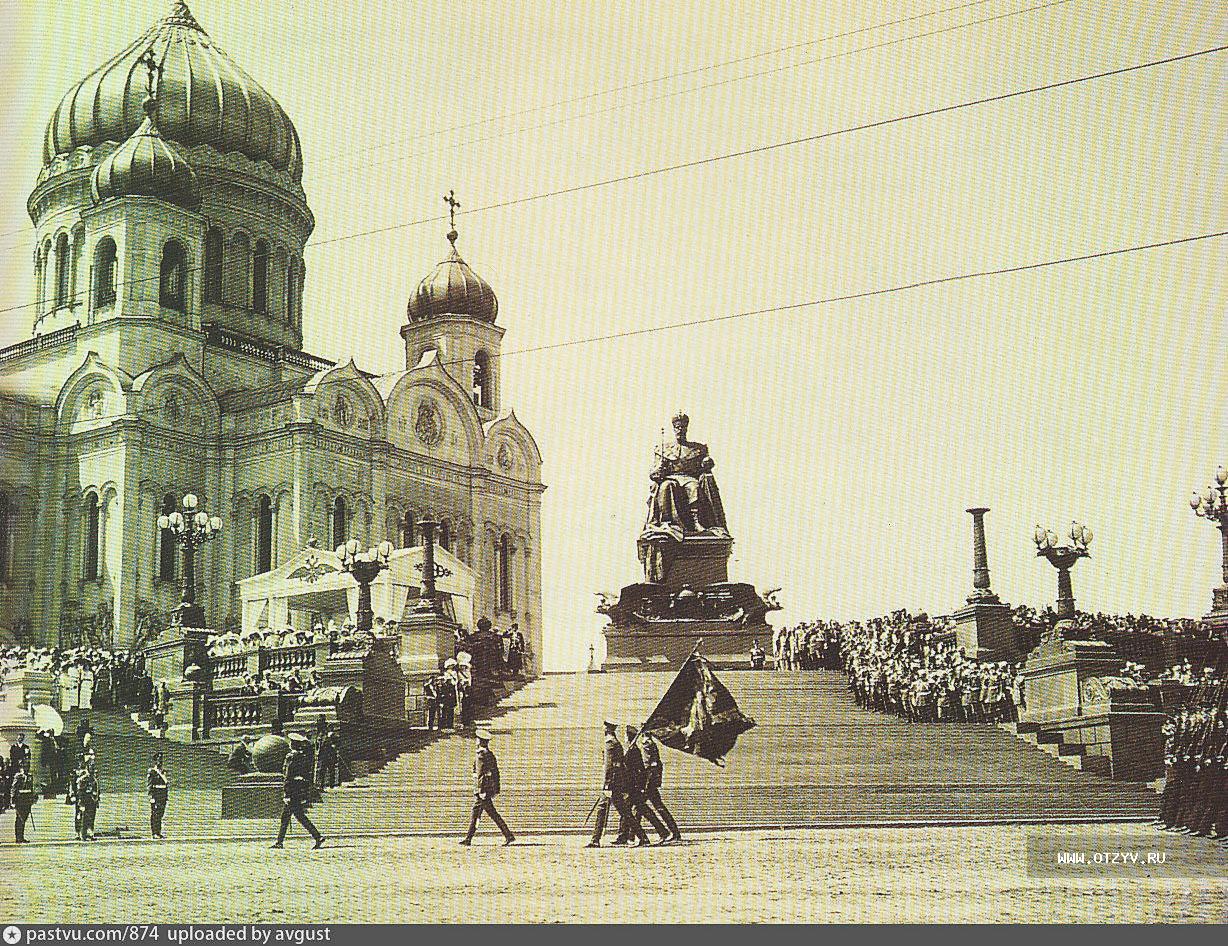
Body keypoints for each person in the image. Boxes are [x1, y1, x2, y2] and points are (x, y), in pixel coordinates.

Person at [587, 720, 647, 848]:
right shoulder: (616, 743)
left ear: (606, 728)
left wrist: (607, 784)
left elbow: (610, 767)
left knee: (603, 809)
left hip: (611, 784)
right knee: (624, 812)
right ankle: (643, 837)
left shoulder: (610, 744)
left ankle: (595, 840)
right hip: (616, 782)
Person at [459, 729, 515, 846]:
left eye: (477, 739)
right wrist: (496, 788)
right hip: (486, 789)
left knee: (477, 813)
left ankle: (469, 838)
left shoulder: (482, 755)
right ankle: (508, 835)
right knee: (489, 813)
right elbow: (495, 772)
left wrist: (481, 790)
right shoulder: (488, 754)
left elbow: (481, 775)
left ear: (480, 741)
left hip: (483, 791)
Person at [614, 726, 669, 845]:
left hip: (633, 787)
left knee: (631, 810)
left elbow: (637, 771)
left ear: (627, 737)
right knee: (637, 810)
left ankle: (658, 833)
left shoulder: (633, 751)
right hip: (633, 786)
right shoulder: (632, 749)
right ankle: (624, 836)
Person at [272, 733, 324, 849]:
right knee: (291, 817)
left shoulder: (291, 757)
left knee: (293, 817)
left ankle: (317, 836)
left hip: (292, 791)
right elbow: (304, 775)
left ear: (292, 744)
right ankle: (280, 841)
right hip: (298, 790)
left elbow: (288, 776)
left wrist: (287, 793)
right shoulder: (303, 757)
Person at [639, 731, 681, 843]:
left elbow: (648, 766)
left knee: (641, 807)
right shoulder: (650, 743)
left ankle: (636, 837)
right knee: (656, 807)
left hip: (649, 782)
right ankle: (674, 832)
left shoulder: (646, 744)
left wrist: (645, 784)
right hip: (651, 782)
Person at [11, 759, 35, 843]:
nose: (26, 769)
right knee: (19, 818)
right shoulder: (18, 776)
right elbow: (14, 788)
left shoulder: (30, 776)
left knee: (24, 818)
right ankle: (18, 837)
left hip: (27, 800)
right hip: (19, 799)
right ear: (21, 767)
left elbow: (31, 788)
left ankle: (22, 836)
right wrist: (12, 800)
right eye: (24, 767)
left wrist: (32, 798)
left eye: (27, 767)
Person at [74, 764, 100, 841]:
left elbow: (97, 791)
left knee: (91, 818)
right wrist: (81, 803)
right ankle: (82, 834)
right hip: (86, 801)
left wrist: (97, 800)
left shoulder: (94, 780)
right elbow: (80, 792)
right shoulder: (84, 780)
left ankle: (90, 833)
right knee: (83, 818)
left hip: (92, 802)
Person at [148, 751, 168, 839]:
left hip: (163, 795)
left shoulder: (163, 772)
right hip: (156, 795)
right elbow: (150, 784)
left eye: (161, 760)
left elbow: (166, 784)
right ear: (155, 761)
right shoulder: (152, 771)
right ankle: (154, 833)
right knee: (155, 814)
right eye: (158, 760)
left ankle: (158, 832)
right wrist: (151, 796)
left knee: (160, 814)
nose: (160, 762)